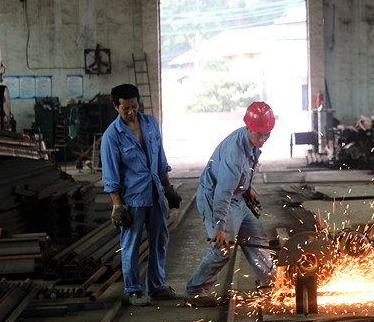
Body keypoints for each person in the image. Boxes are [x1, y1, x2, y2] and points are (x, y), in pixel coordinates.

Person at [184, 101, 277, 306]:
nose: (263, 139)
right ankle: (194, 292)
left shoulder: (250, 141)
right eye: (259, 135)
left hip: (237, 197)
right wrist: (219, 226)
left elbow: (247, 169)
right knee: (222, 249)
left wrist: (247, 187)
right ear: (248, 128)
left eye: (267, 134)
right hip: (216, 198)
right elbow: (223, 192)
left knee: (256, 236)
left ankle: (271, 283)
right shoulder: (234, 153)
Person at [101, 84, 182, 306]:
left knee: (159, 240)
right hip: (132, 199)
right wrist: (118, 206)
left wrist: (168, 188)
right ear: (116, 106)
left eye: (134, 107)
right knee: (131, 244)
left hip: (154, 194)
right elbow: (110, 175)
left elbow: (161, 159)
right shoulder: (112, 136)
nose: (131, 112)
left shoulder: (150, 124)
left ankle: (157, 286)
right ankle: (134, 290)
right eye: (125, 108)